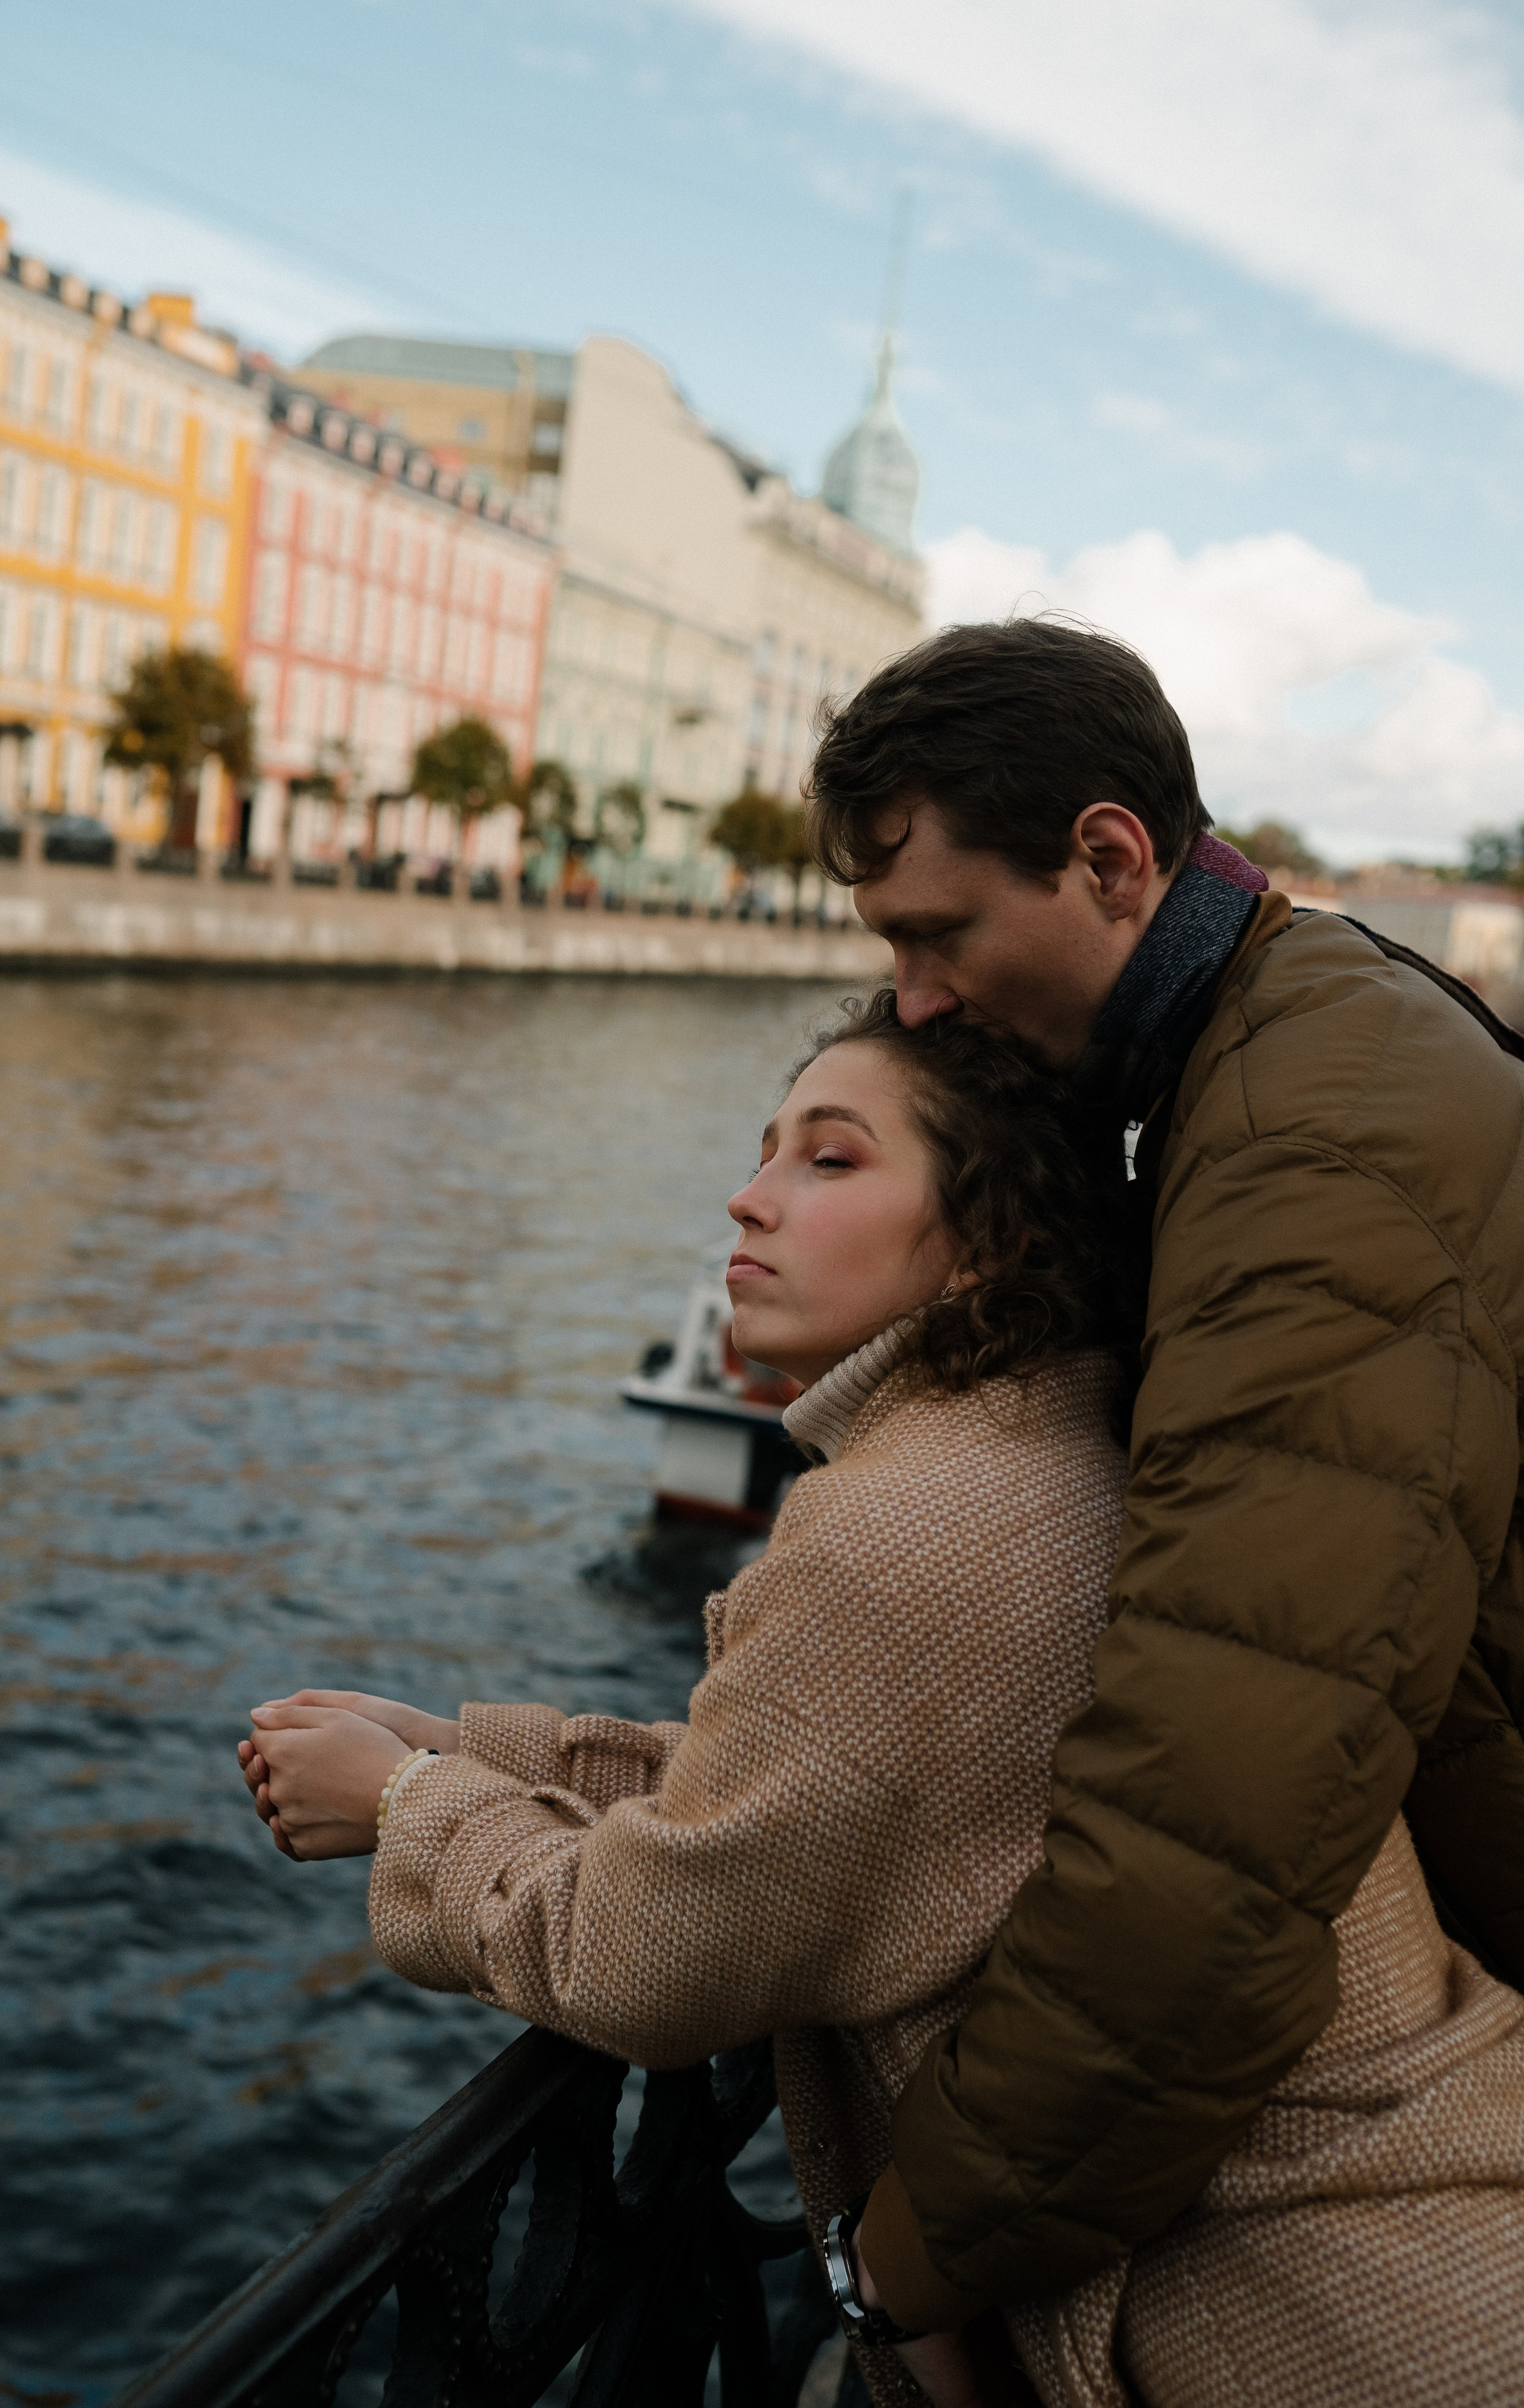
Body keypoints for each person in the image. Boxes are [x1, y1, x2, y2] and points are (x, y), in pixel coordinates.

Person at [240, 991, 1524, 2407]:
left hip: (1314, 2323)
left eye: (827, 1159)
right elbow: (834, 1784)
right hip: (1447, 2200)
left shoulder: (900, 1527)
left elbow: (645, 1953)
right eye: (765, 1150)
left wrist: (407, 1806)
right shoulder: (1072, 1449)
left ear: (989, 1240)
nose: (748, 1195)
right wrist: (471, 1744)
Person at [787, 618, 1524, 2380]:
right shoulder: (1289, 1034)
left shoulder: (1316, 1144)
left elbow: (1223, 1811)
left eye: (939, 933)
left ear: (1111, 860)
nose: (915, 1004)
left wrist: (906, 2256)